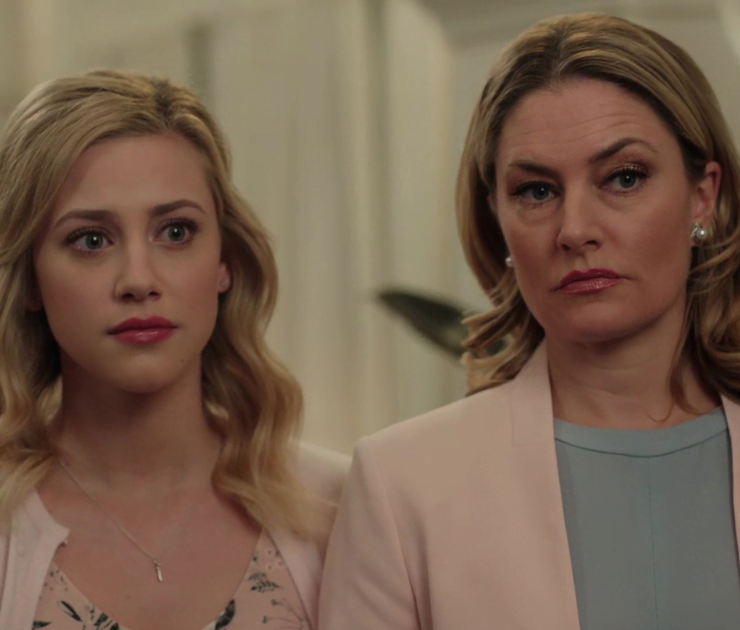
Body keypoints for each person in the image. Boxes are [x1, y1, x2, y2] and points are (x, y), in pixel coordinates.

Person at [319, 12, 740, 630]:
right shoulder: (403, 484)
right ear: (496, 216)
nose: (575, 230)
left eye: (624, 178)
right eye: (537, 191)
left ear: (703, 195)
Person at [0, 69, 347, 630]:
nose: (139, 279)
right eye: (91, 239)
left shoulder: (338, 507)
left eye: (176, 232)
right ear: (31, 279)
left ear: (225, 261)